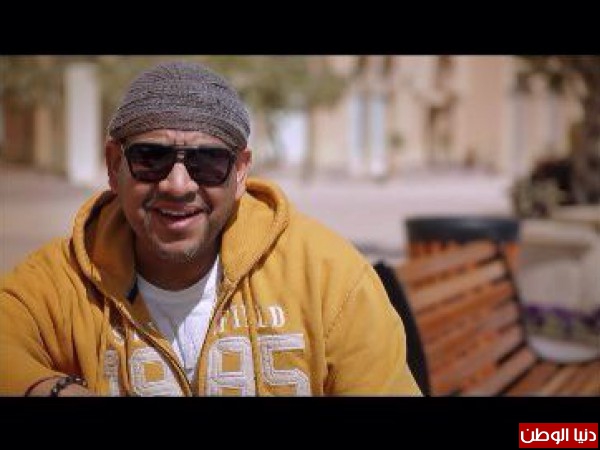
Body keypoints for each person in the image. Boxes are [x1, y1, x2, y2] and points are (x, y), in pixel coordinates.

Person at [0, 61, 421, 397]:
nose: (178, 185)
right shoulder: (64, 278)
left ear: (240, 173)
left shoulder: (327, 277)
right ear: (114, 165)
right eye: (151, 158)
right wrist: (52, 389)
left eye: (207, 163)